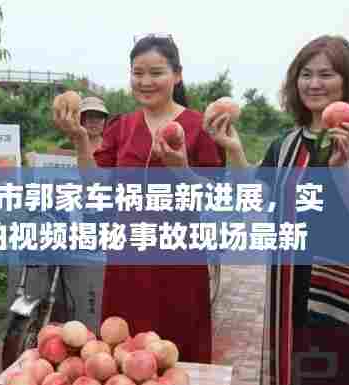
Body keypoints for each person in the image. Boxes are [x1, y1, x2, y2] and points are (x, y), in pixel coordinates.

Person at [207, 35, 349, 385]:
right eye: (306, 74)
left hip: (340, 298)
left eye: (327, 74)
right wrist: (234, 150)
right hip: (288, 289)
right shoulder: (285, 145)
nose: (314, 83)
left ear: (347, 81)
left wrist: (342, 168)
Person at [54, 34, 225, 363]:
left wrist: (181, 170)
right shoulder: (123, 126)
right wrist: (79, 140)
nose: (145, 81)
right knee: (123, 352)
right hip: (127, 257)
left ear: (177, 75)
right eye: (138, 72)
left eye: (156, 72)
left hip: (179, 257)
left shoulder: (198, 127)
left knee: (176, 351)